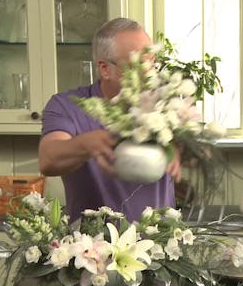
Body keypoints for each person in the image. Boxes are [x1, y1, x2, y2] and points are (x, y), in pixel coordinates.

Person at [39, 18, 181, 222]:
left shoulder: (165, 105)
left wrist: (181, 149)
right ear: (105, 69)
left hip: (160, 244)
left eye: (152, 62)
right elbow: (48, 159)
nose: (150, 74)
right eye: (138, 65)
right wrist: (87, 143)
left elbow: (192, 155)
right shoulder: (67, 106)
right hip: (90, 249)